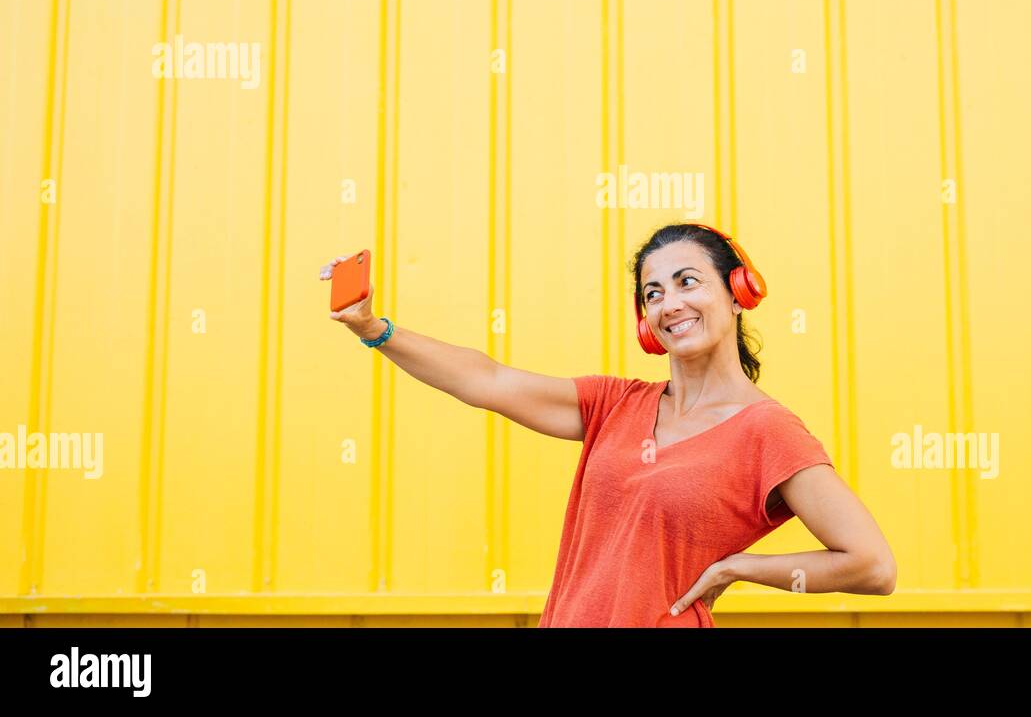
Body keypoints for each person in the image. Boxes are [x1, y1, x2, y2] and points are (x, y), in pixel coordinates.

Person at [320, 221, 896, 626]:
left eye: (687, 282)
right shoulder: (614, 406)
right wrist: (373, 327)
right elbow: (488, 380)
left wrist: (738, 568)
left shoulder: (766, 431)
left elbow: (872, 565)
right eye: (653, 292)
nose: (669, 303)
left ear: (739, 292)